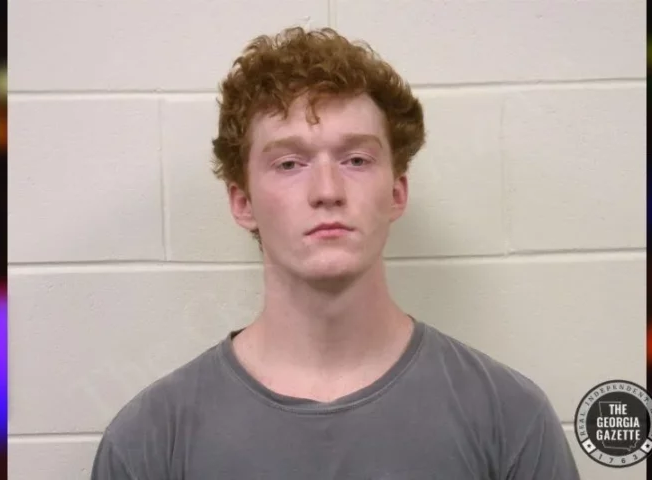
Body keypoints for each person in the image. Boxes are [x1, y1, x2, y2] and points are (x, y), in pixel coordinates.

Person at [91, 26, 581, 479]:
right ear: (243, 203)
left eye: (356, 159)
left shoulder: (510, 419)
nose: (327, 190)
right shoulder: (150, 441)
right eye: (289, 163)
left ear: (397, 193)